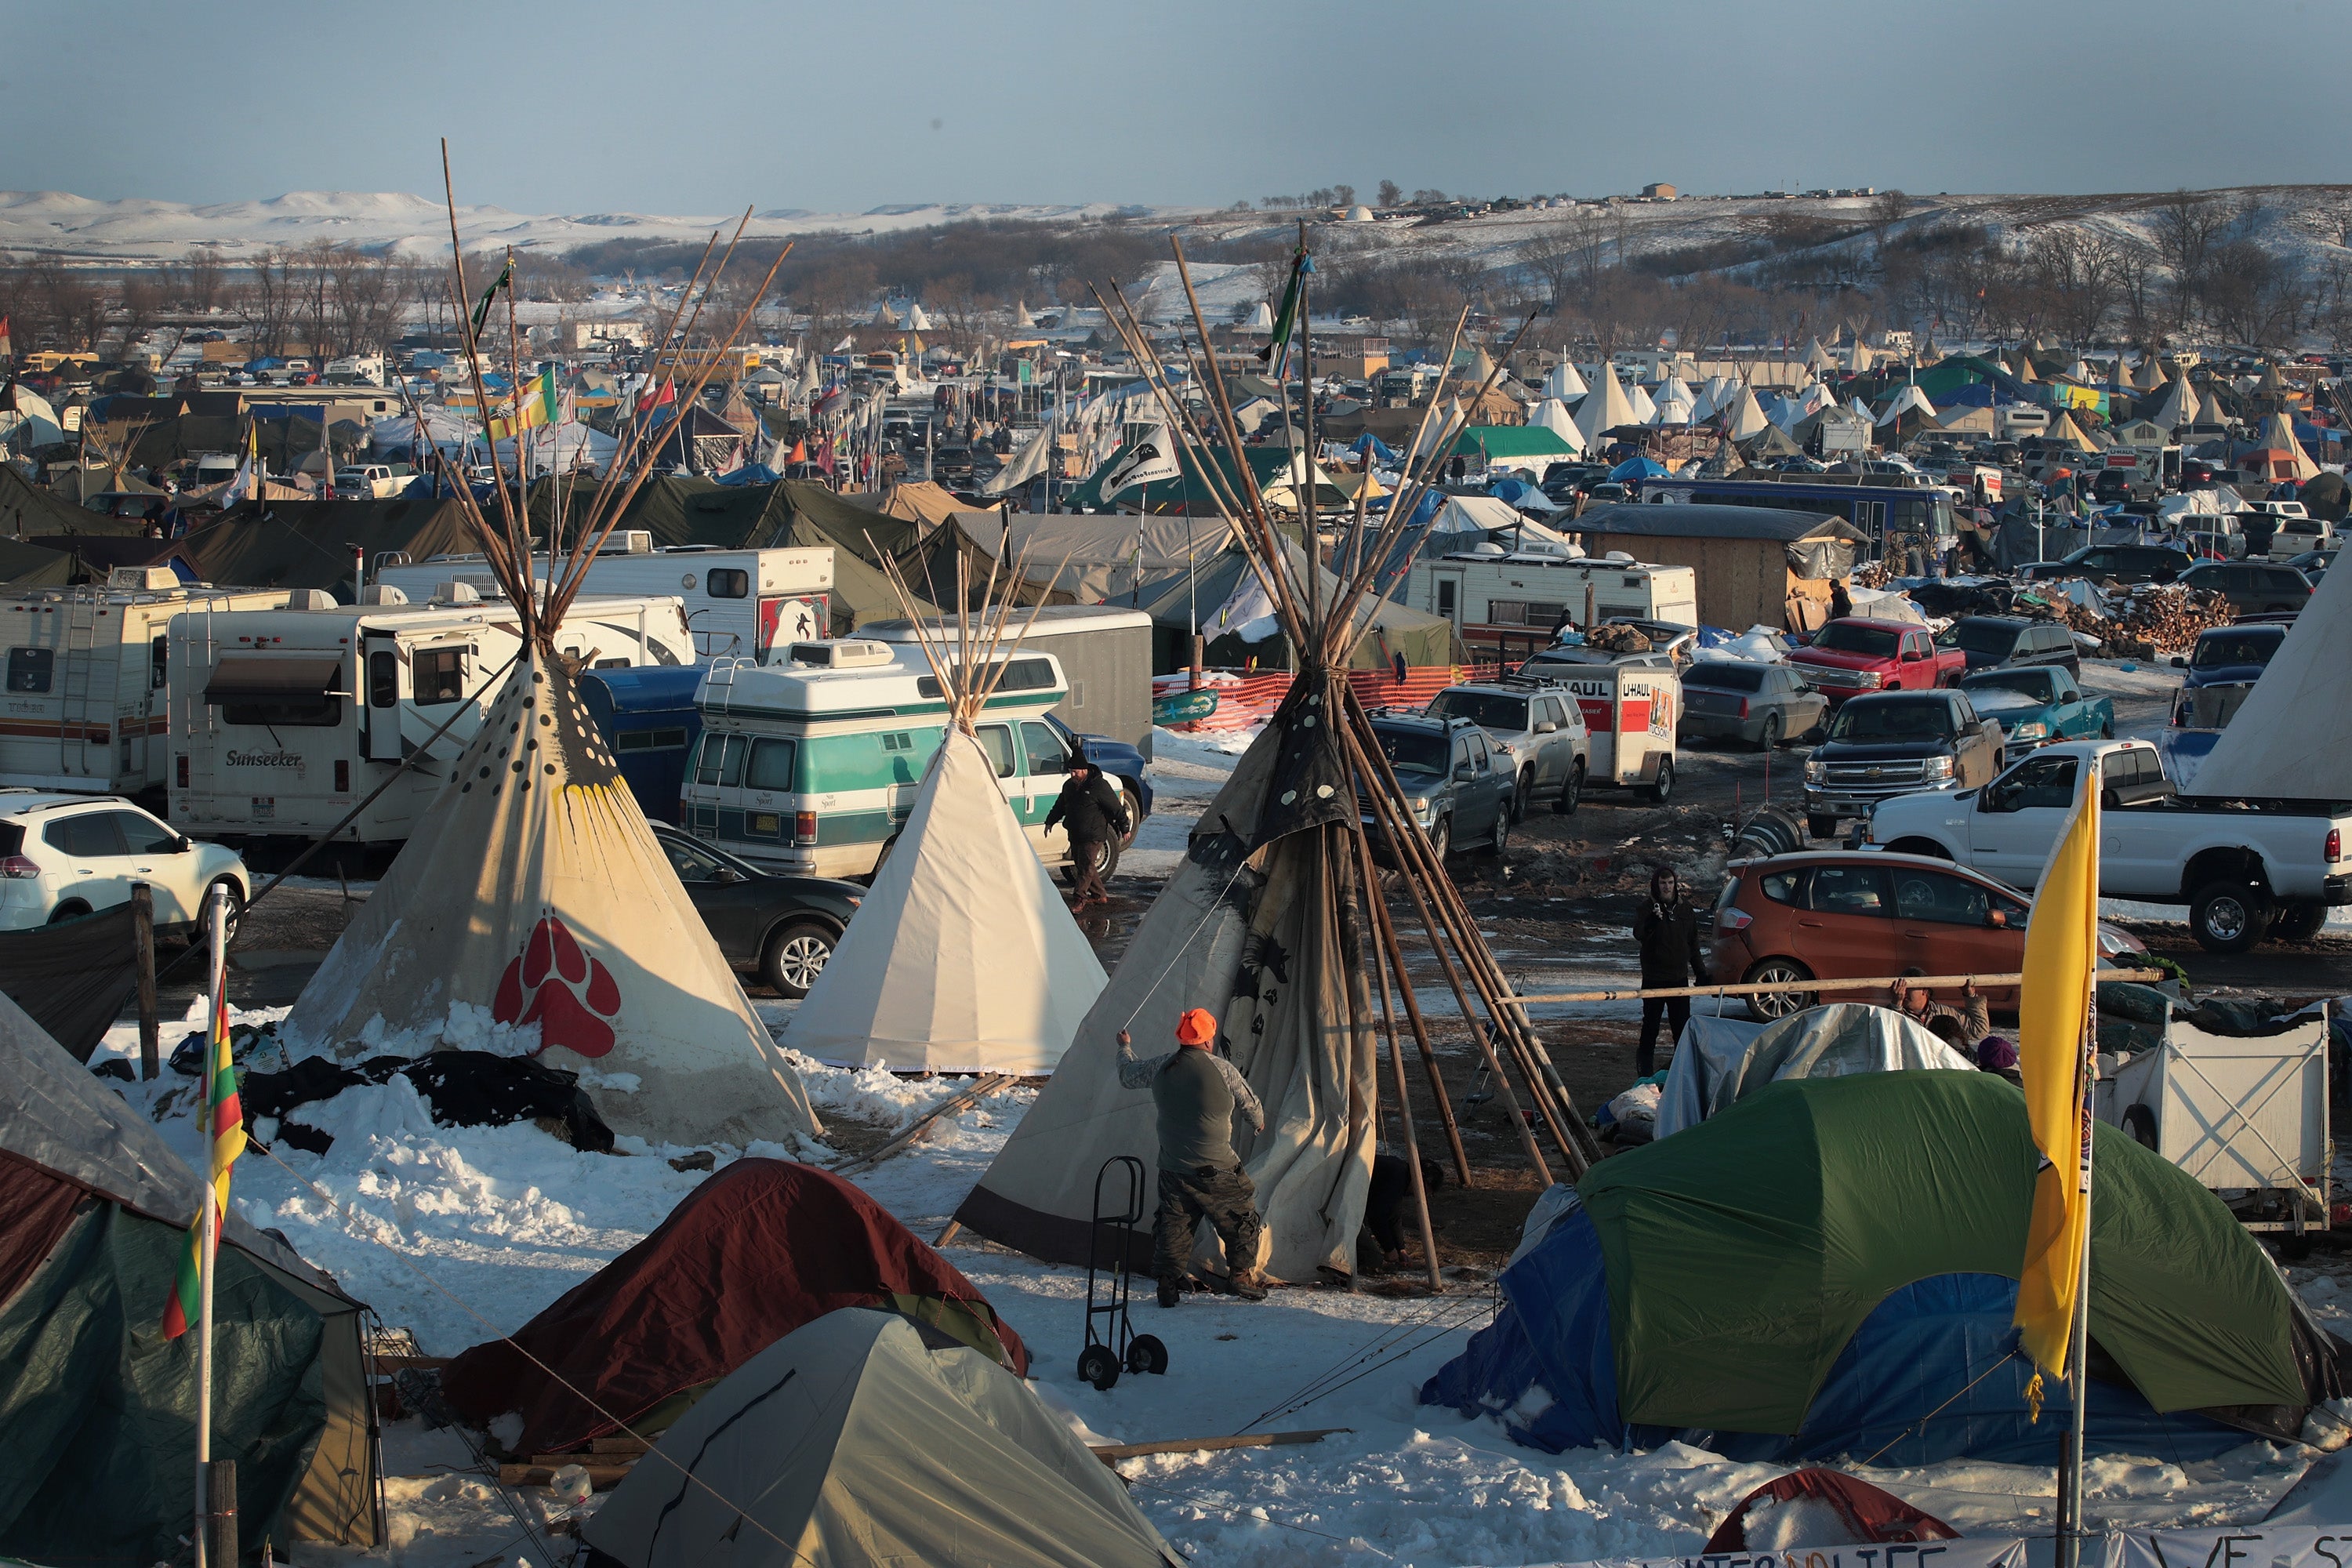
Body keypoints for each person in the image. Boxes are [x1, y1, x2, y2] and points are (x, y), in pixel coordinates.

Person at [1118, 1010, 1267, 1306]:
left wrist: (1125, 1045)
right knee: (1242, 1217)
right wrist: (1258, 1123)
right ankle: (1240, 1277)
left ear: (1181, 1036)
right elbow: (1251, 1105)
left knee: (1174, 1225)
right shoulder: (1223, 1070)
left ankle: (1167, 1282)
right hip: (1218, 1168)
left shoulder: (1162, 1066)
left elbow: (1127, 1075)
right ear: (1209, 1038)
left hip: (1173, 1167)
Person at [1632, 868, 1709, 1077]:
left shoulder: (1686, 910)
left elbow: (1693, 943)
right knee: (1650, 1028)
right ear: (1656, 885)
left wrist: (1701, 973)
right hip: (1654, 979)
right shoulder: (1646, 908)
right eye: (1663, 883)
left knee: (1682, 1029)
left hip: (1679, 979)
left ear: (1676, 885)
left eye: (1670, 883)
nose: (1667, 887)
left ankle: (1682, 1071)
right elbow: (1638, 933)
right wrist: (1652, 922)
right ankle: (1645, 1075)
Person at [1044, 751, 1128, 909]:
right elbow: (1060, 806)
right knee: (1083, 865)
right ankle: (1099, 895)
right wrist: (1050, 821)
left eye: (1075, 771)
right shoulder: (1069, 786)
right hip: (1075, 832)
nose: (1072, 775)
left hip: (1094, 833)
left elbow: (1116, 808)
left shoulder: (1099, 786)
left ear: (1084, 770)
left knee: (1086, 866)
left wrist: (1124, 827)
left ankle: (1079, 899)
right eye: (1071, 771)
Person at [1891, 974, 1991, 1050]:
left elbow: (1979, 1029)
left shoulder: (1944, 1013)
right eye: (1900, 988)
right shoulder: (1890, 1014)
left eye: (1908, 988)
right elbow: (1891, 1036)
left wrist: (1970, 995)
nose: (1903, 992)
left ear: (1924, 991)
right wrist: (1897, 1006)